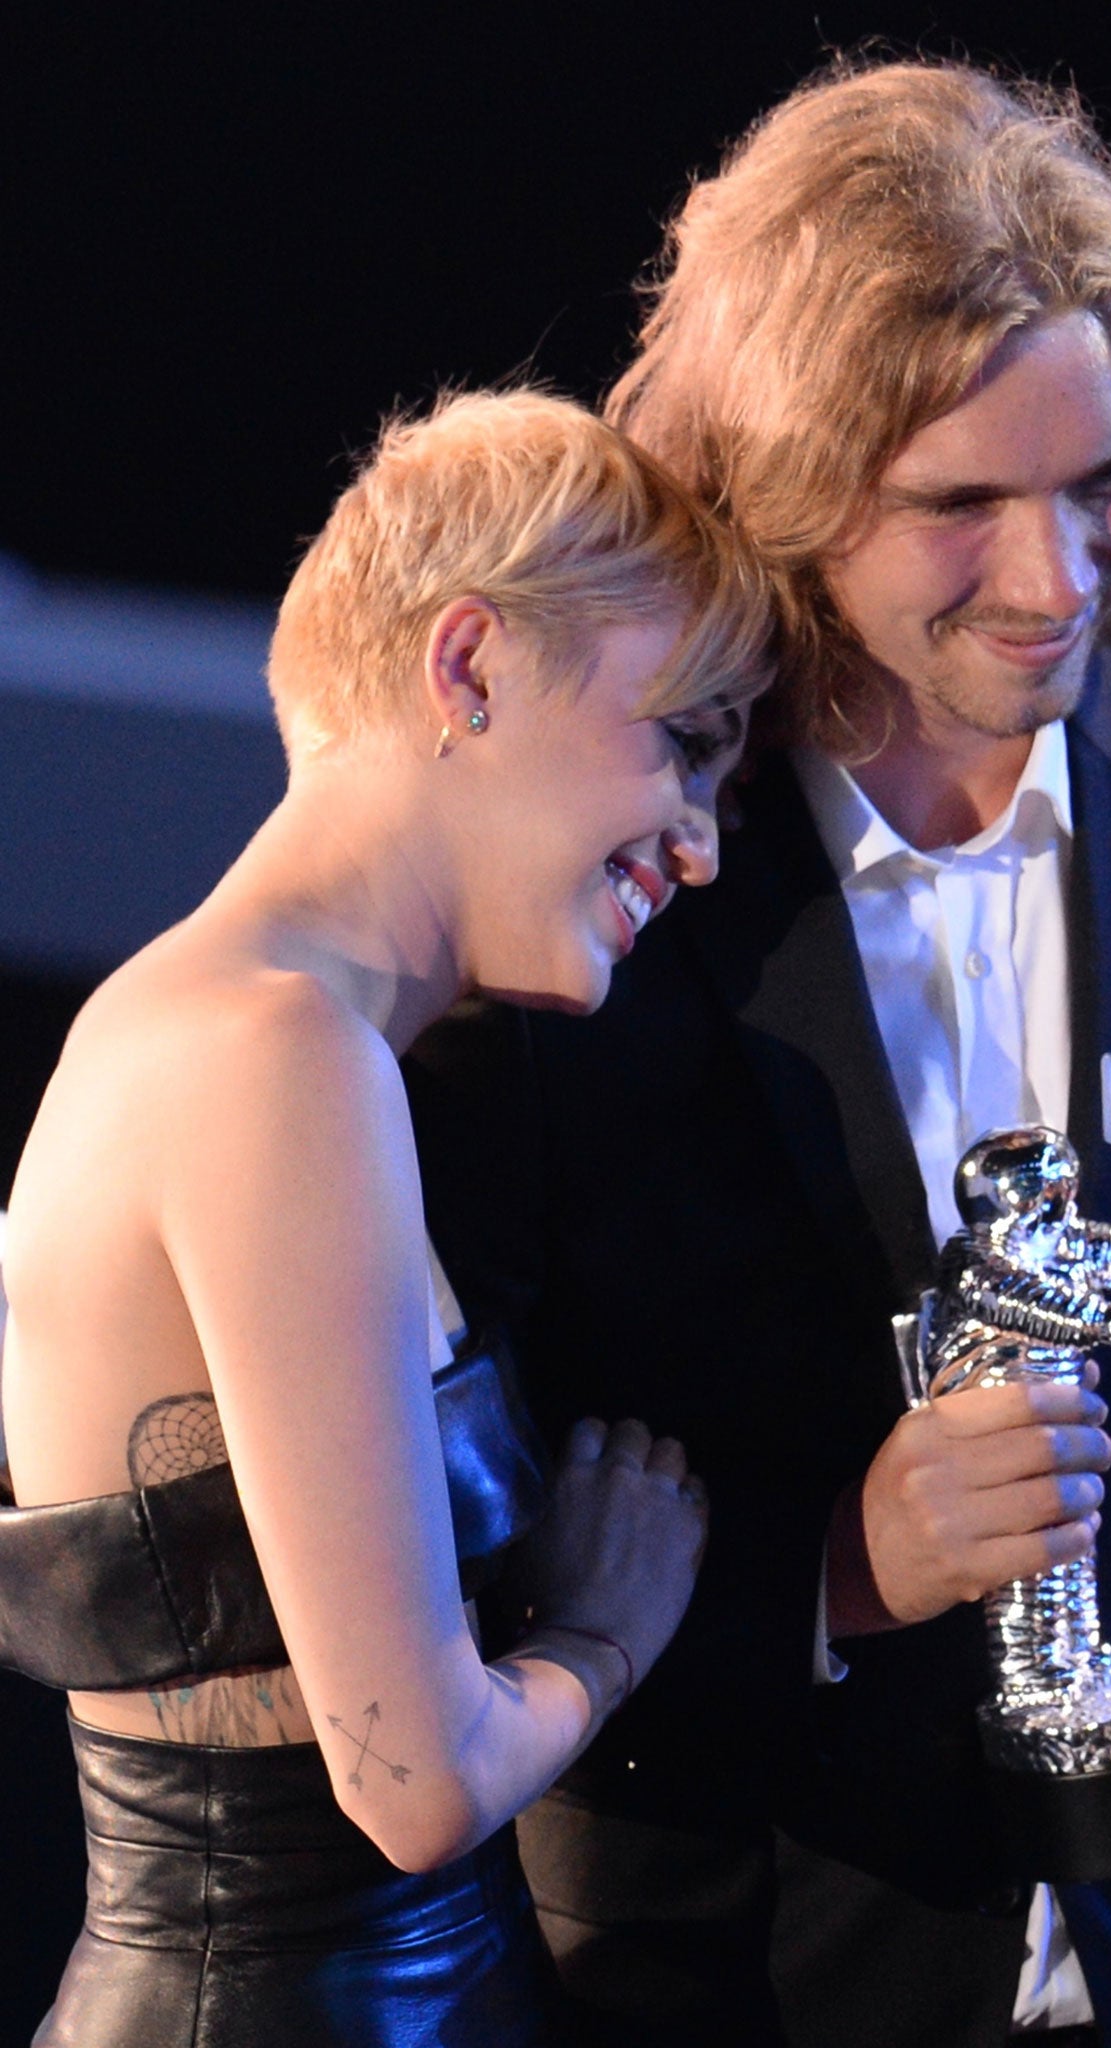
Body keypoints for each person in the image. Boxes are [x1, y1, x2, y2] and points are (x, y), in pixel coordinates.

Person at [404, 59, 1111, 2048]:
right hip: (728, 1983)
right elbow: (436, 1541)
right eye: (956, 507)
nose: (1058, 579)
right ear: (783, 493)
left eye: (1105, 482)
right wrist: (843, 1566)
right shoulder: (580, 884)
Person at [0, 388, 773, 2045]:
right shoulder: (275, 1055)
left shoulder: (268, 1043)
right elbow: (413, 1785)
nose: (703, 845)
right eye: (686, 741)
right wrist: (604, 1631)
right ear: (470, 664)